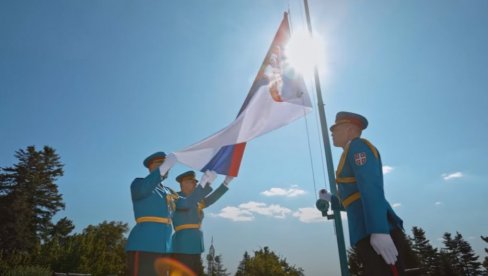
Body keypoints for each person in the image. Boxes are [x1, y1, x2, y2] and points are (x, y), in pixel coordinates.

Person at [319, 111, 406, 276]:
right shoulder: (348, 152)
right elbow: (353, 201)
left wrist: (379, 230)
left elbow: (370, 187)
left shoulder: (358, 147)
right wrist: (331, 198)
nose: (332, 133)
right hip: (365, 230)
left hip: (375, 230)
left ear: (350, 131)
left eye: (337, 129)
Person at [125, 152, 216, 276]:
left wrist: (204, 184)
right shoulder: (139, 183)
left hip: (165, 248)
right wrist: (160, 171)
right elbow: (142, 190)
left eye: (166, 164)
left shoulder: (169, 192)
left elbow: (189, 203)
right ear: (151, 166)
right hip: (144, 245)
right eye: (161, 164)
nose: (166, 168)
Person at [171, 170, 233, 274]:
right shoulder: (176, 197)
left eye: (196, 182)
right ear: (183, 183)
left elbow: (212, 198)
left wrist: (225, 183)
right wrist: (207, 183)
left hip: (196, 246)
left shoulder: (197, 201)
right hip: (182, 245)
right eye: (192, 182)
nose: (196, 184)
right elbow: (187, 203)